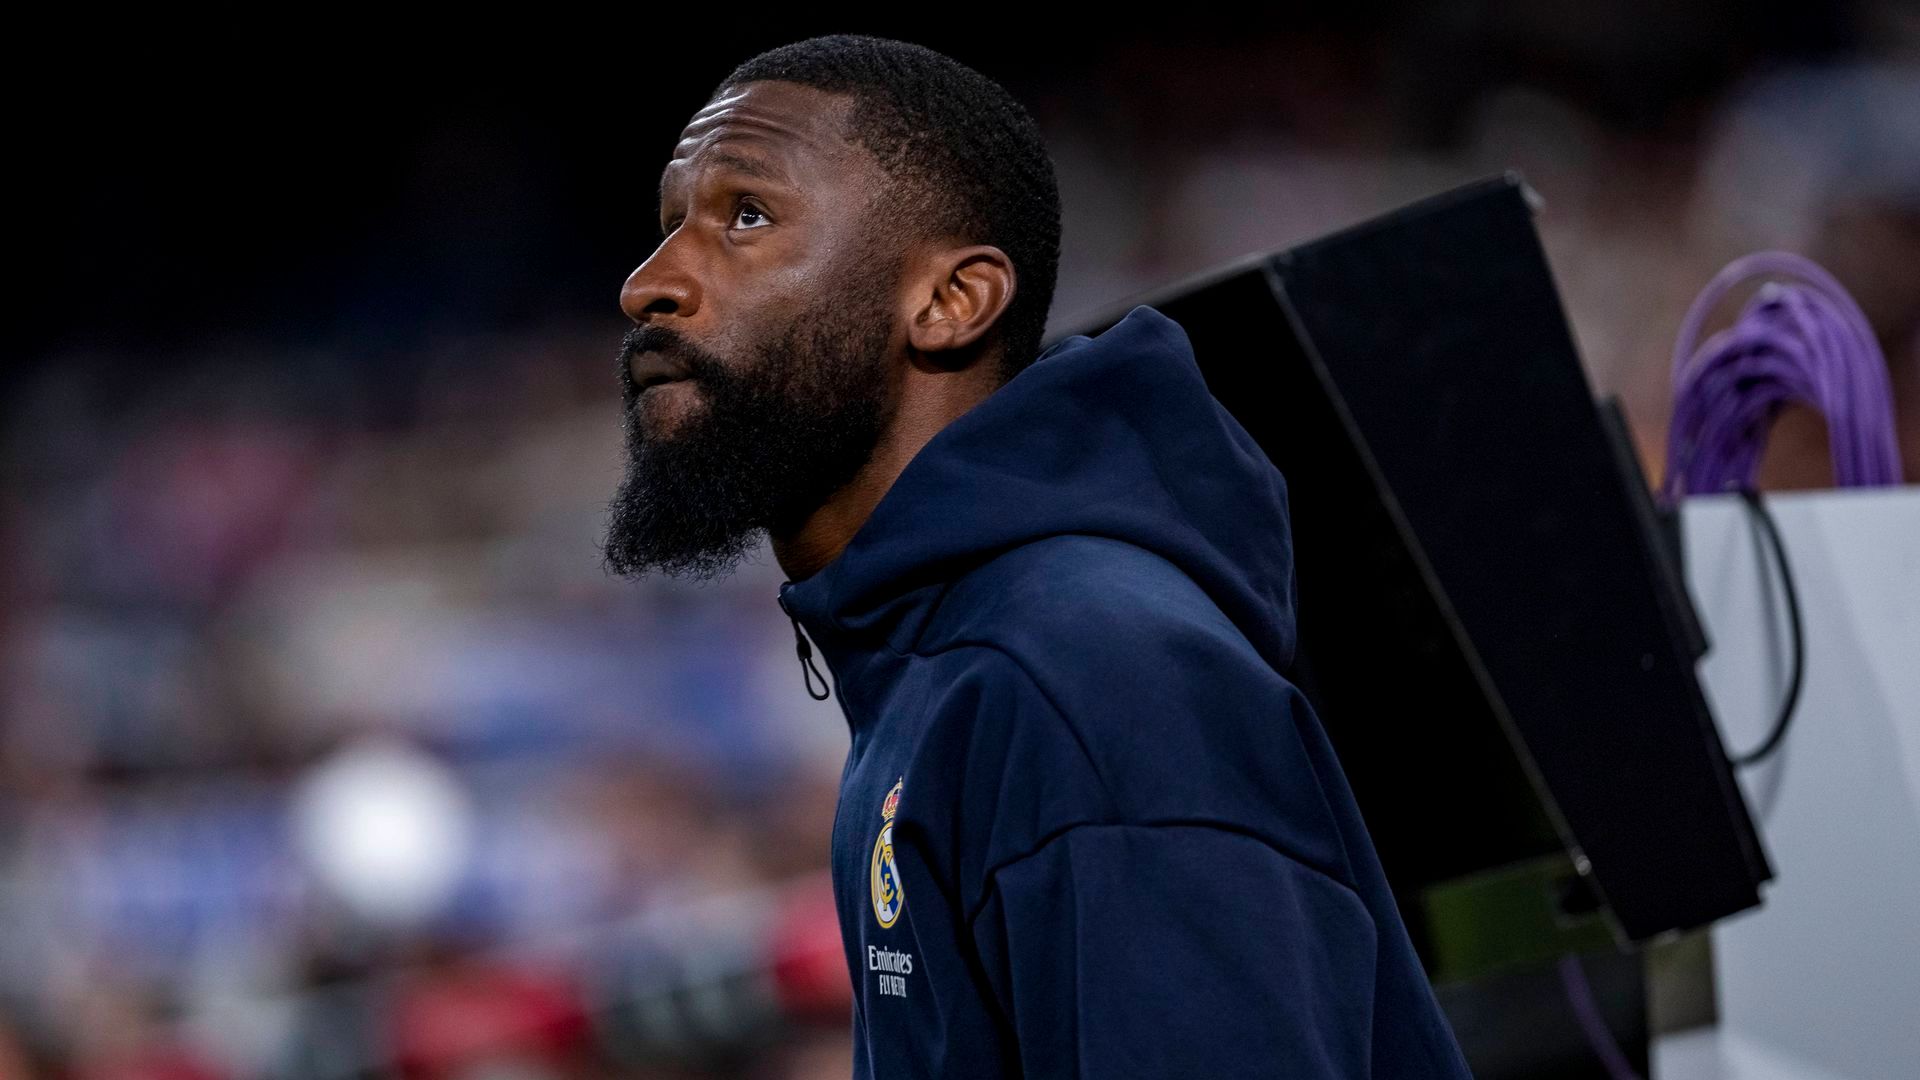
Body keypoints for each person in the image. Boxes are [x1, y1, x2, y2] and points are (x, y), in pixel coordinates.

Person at [605, 33, 1475, 1078]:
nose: (649, 285)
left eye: (746, 217)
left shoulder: (1088, 676)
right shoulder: (937, 657)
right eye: (668, 228)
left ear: (951, 301)